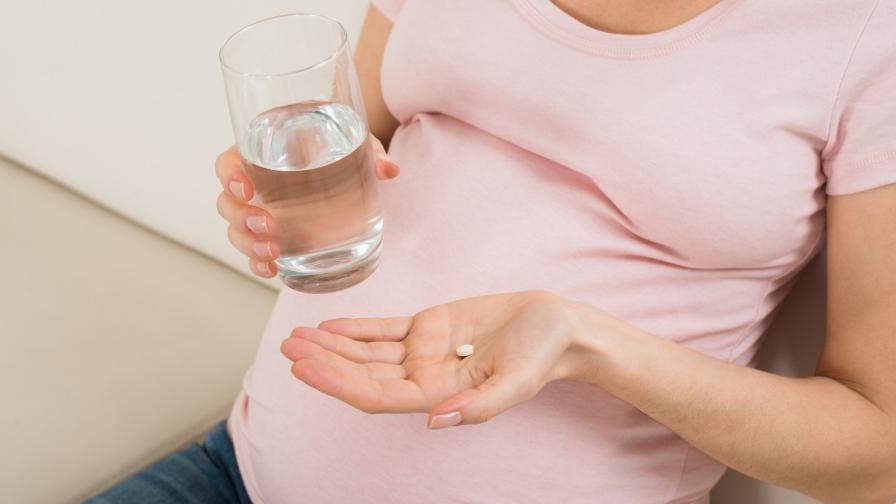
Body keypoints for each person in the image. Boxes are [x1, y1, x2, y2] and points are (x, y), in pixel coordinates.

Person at [89, 1, 896, 502]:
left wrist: (585, 343)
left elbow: (878, 459)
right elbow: (351, 143)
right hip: (238, 475)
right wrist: (267, 201)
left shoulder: (865, 38)